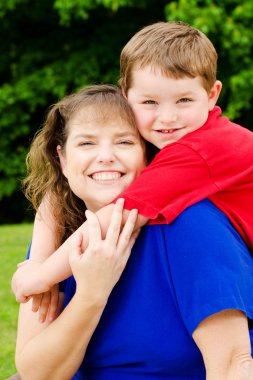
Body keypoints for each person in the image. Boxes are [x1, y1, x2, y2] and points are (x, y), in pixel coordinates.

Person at [14, 84, 253, 379]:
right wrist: (91, 294)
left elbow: (233, 364)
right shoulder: (60, 238)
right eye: (87, 143)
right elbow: (38, 375)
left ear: (149, 156)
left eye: (124, 142)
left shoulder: (191, 224)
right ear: (62, 160)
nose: (105, 156)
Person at [12, 21, 253, 304]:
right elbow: (56, 192)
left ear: (212, 95)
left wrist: (40, 277)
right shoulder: (167, 139)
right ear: (127, 96)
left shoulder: (202, 149)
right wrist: (38, 258)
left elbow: (119, 215)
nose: (167, 117)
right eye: (150, 102)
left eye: (184, 100)